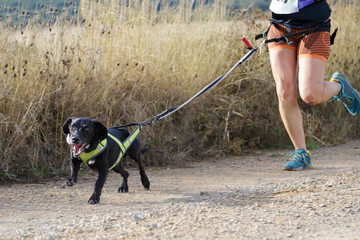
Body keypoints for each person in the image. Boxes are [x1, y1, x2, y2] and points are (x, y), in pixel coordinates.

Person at [267, 0, 360, 171]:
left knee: (310, 95)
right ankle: (301, 152)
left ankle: (339, 86)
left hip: (314, 25)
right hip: (279, 25)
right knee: (284, 91)